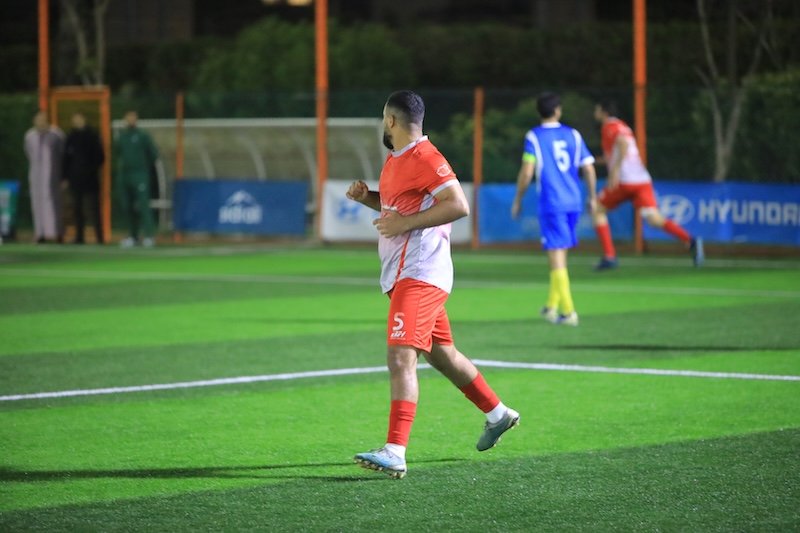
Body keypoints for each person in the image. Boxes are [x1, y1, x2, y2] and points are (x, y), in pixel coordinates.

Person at [346, 90, 519, 479]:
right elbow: (399, 209)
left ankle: (395, 450)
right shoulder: (397, 159)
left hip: (420, 273)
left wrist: (404, 224)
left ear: (391, 121)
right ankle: (498, 413)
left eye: (383, 119)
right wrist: (368, 198)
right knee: (442, 355)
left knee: (400, 357)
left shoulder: (426, 157)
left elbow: (458, 204)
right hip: (405, 273)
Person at [511, 92, 597, 326]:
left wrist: (518, 198)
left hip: (553, 202)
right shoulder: (573, 134)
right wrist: (592, 197)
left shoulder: (535, 136)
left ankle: (568, 312)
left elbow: (527, 171)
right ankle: (552, 306)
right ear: (558, 110)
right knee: (560, 252)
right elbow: (589, 168)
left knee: (555, 254)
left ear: (538, 111)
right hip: (573, 201)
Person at [592, 100, 704, 270]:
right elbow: (616, 153)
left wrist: (615, 171)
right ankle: (691, 240)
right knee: (653, 218)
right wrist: (590, 162)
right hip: (641, 180)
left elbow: (622, 143)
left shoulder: (609, 126)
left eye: (597, 109)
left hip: (624, 181)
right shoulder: (623, 126)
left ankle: (610, 256)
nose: (595, 112)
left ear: (604, 111)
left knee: (597, 209)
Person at [114, 110, 158, 247]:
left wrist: (143, 167)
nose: (130, 120)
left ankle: (149, 235)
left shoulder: (143, 136)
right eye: (128, 117)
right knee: (127, 205)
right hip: (125, 175)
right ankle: (133, 236)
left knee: (143, 205)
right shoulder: (122, 136)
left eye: (133, 117)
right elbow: (117, 153)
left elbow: (153, 155)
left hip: (140, 175)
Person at [24, 111, 65, 243]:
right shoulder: (30, 136)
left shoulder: (56, 134)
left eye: (43, 120)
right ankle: (40, 233)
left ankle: (56, 233)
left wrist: (63, 176)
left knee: (53, 202)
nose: (40, 122)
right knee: (36, 202)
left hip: (52, 174)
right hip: (36, 174)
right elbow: (28, 153)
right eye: (38, 120)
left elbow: (63, 155)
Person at [63, 112, 105, 244]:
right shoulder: (70, 137)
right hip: (75, 179)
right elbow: (65, 159)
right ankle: (79, 237)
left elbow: (100, 157)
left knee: (94, 208)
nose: (77, 122)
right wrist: (65, 177)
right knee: (77, 209)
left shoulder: (92, 136)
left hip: (91, 179)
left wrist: (91, 170)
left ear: (84, 120)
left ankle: (100, 237)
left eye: (79, 119)